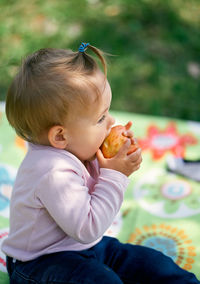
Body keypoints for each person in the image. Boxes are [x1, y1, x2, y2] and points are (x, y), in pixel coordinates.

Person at [2, 42, 199, 284]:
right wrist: (115, 175)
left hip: (84, 250)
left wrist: (117, 159)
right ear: (60, 136)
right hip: (39, 266)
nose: (112, 121)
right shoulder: (52, 173)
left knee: (151, 264)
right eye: (101, 118)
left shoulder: (76, 148)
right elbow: (87, 228)